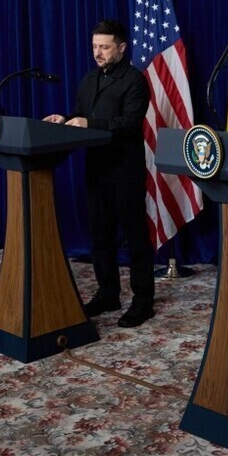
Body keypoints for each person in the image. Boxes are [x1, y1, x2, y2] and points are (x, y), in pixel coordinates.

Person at [44, 20, 156, 328]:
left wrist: (89, 123)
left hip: (125, 170)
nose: (98, 53)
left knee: (135, 237)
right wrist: (64, 119)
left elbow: (130, 122)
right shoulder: (89, 79)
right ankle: (108, 293)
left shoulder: (134, 80)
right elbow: (82, 115)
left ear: (122, 48)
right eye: (95, 46)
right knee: (100, 236)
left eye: (104, 47)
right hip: (96, 169)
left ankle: (143, 300)